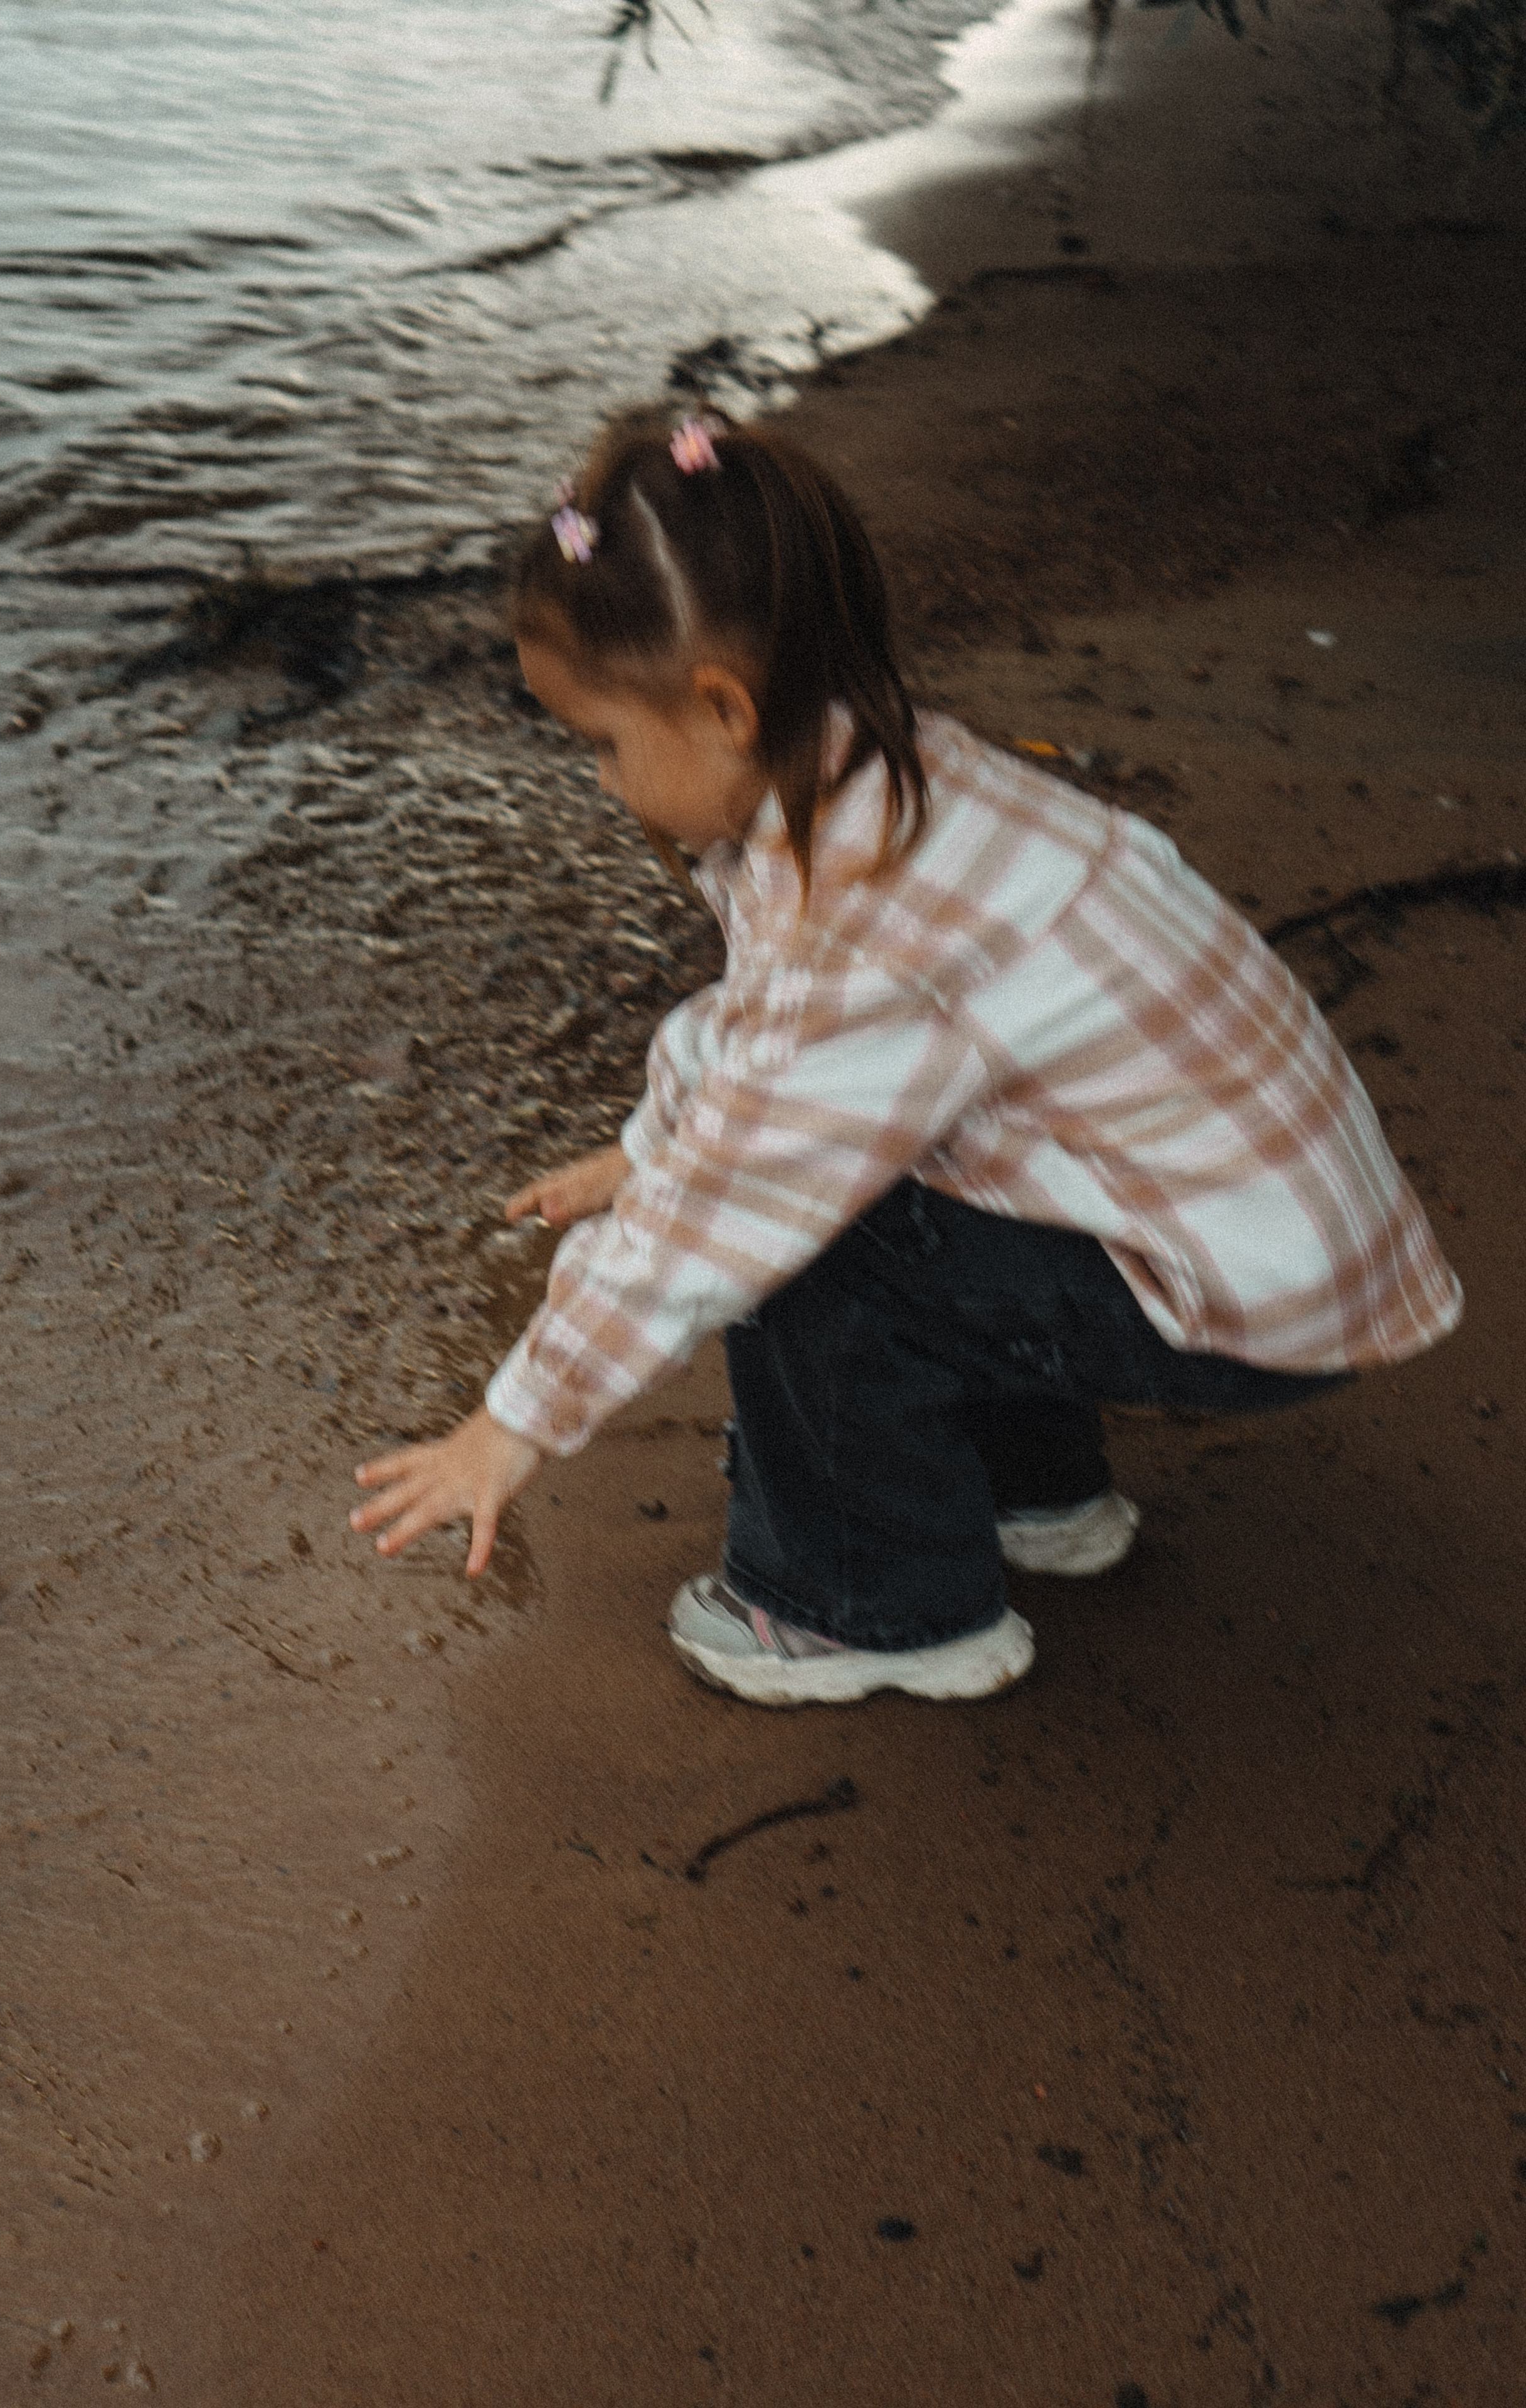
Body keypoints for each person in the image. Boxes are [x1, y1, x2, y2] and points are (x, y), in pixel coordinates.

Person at [349, 408, 1461, 1708]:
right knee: (885, 1171)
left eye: (600, 742)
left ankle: (868, 1602)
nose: (599, 781)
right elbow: (760, 1042)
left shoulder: (865, 920)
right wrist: (642, 1147)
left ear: (720, 704)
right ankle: (1028, 1492)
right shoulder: (889, 781)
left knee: (809, 1242)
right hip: (1250, 1233)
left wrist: (513, 1422)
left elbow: (723, 1207)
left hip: (1248, 1297)